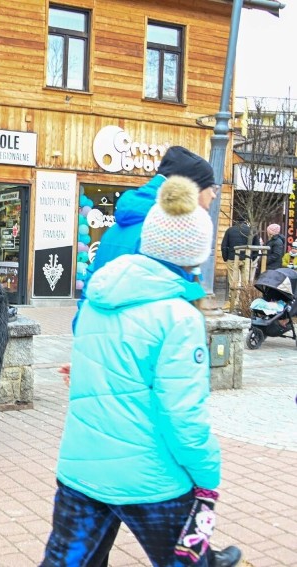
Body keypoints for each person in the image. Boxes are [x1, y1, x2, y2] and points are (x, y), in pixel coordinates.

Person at [41, 177, 241, 567]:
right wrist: (207, 472)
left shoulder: (99, 295)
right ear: (196, 253)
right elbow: (183, 415)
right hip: (152, 479)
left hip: (82, 469)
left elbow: (91, 369)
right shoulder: (179, 317)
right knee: (185, 562)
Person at [75, 146, 218, 330]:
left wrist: (83, 329)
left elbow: (91, 283)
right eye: (210, 186)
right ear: (190, 188)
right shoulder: (166, 233)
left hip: (101, 343)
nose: (214, 194)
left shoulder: (116, 229)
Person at [220, 218, 260, 312]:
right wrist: (252, 258)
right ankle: (244, 302)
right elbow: (256, 246)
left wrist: (226, 258)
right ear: (246, 221)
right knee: (245, 282)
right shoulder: (251, 231)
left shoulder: (230, 230)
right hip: (246, 258)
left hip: (233, 257)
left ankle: (232, 302)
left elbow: (224, 246)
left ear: (236, 221)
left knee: (233, 281)